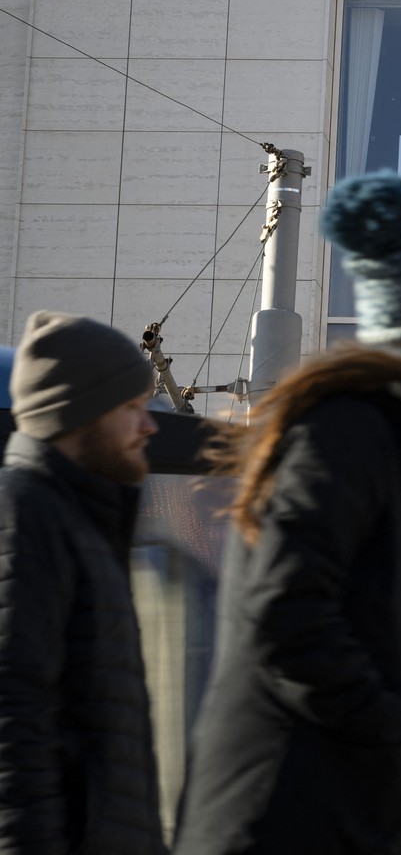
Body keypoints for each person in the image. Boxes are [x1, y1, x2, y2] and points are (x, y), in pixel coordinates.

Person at [174, 173, 401, 855]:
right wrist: (384, 729)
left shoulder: (384, 446)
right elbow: (286, 610)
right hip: (292, 816)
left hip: (324, 810)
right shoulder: (348, 437)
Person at [0, 311, 164, 854]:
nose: (149, 426)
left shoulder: (75, 520)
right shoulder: (24, 516)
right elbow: (14, 726)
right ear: (78, 413)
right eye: (131, 407)